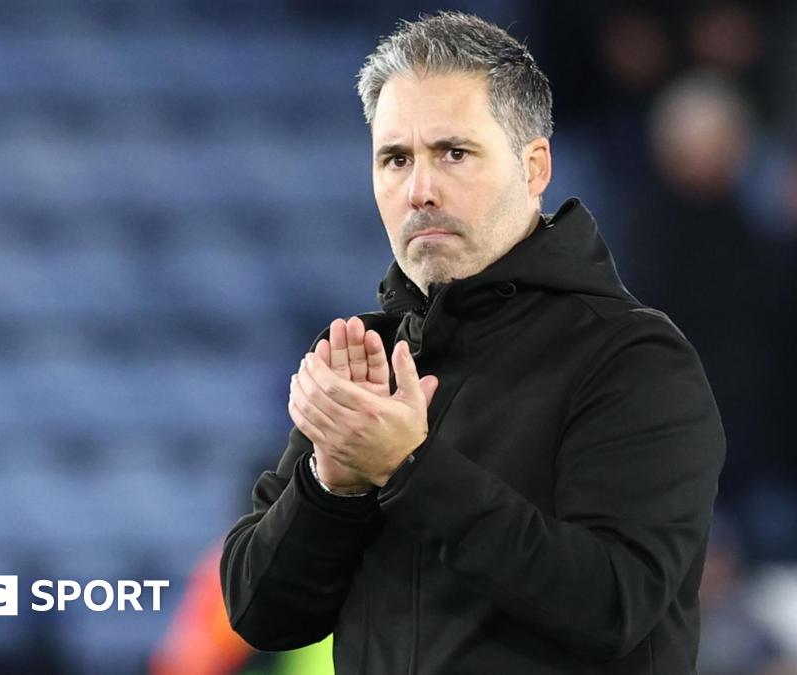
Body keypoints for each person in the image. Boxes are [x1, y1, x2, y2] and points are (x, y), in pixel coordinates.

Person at [220, 12, 726, 674]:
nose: (420, 191)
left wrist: (409, 468)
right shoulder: (368, 359)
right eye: (395, 159)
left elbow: (614, 606)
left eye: (453, 153)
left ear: (534, 165)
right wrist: (331, 486)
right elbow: (260, 611)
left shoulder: (633, 360)